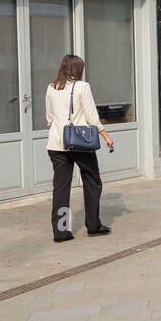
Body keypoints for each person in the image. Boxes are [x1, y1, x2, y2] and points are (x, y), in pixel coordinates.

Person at [44, 54, 114, 242]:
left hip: (56, 144)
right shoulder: (83, 87)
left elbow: (49, 118)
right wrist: (105, 135)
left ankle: (61, 232)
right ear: (78, 69)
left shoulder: (51, 88)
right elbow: (92, 116)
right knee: (92, 182)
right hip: (80, 144)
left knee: (61, 188)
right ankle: (93, 225)